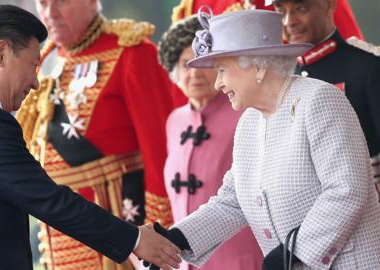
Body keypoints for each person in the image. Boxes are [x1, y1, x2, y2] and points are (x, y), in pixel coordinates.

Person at [0, 5, 182, 270]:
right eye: (33, 66)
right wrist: (134, 239)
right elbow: (48, 198)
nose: (36, 82)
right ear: (1, 53)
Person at [147, 8, 380, 269]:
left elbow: (347, 190)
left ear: (257, 66)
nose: (218, 84)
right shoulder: (249, 121)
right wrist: (176, 239)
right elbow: (232, 201)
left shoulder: (319, 100)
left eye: (222, 70)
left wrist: (294, 253)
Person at [15, 1, 176, 269]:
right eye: (43, 3)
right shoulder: (46, 59)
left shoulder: (131, 52)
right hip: (60, 241)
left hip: (121, 242)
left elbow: (162, 154)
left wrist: (162, 231)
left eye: (61, 2)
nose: (50, 13)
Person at [157, 13, 263, 270]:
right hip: (185, 261)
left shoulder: (246, 113)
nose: (194, 73)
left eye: (201, 62)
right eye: (184, 63)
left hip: (241, 257)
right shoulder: (175, 121)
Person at [272, 0, 380, 184]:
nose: (289, 21)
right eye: (281, 12)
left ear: (329, 6)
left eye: (300, 9)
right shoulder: (285, 79)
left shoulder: (368, 68)